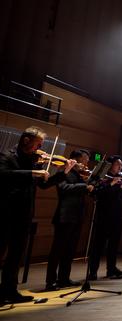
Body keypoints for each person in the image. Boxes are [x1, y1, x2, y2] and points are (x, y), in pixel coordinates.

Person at [0, 126, 74, 304]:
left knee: (16, 255)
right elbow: (3, 174)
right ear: (26, 140)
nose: (39, 148)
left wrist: (63, 173)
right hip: (5, 213)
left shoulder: (33, 161)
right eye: (38, 144)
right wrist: (32, 172)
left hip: (24, 215)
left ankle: (10, 291)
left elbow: (44, 185)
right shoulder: (7, 156)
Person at [45, 149, 94, 291]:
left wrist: (89, 182)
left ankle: (64, 278)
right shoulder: (64, 171)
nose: (86, 163)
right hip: (64, 216)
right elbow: (64, 188)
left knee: (70, 250)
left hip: (77, 216)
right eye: (84, 159)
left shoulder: (79, 174)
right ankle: (51, 281)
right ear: (75, 159)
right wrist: (84, 186)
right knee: (57, 250)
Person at [89, 155, 122, 280]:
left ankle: (111, 269)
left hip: (117, 216)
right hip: (104, 216)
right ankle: (93, 271)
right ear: (110, 165)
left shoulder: (120, 179)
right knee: (98, 245)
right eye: (117, 164)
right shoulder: (103, 177)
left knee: (114, 245)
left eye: (121, 165)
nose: (120, 167)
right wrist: (112, 185)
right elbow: (97, 193)